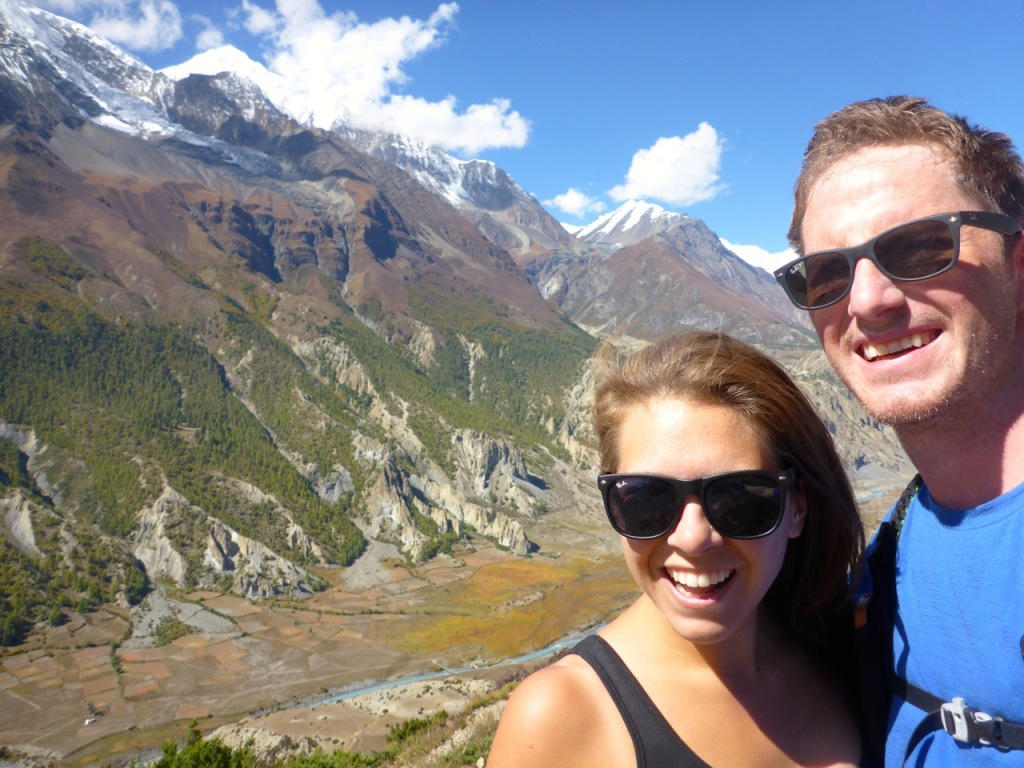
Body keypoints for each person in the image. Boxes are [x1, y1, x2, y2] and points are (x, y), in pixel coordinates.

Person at [776, 95, 1024, 766]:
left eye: (919, 247)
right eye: (826, 273)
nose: (867, 301)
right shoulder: (886, 557)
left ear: (1019, 265)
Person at [487, 331, 864, 768]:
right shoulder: (560, 716)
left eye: (740, 497)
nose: (692, 537)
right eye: (647, 499)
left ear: (797, 506)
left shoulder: (846, 650)